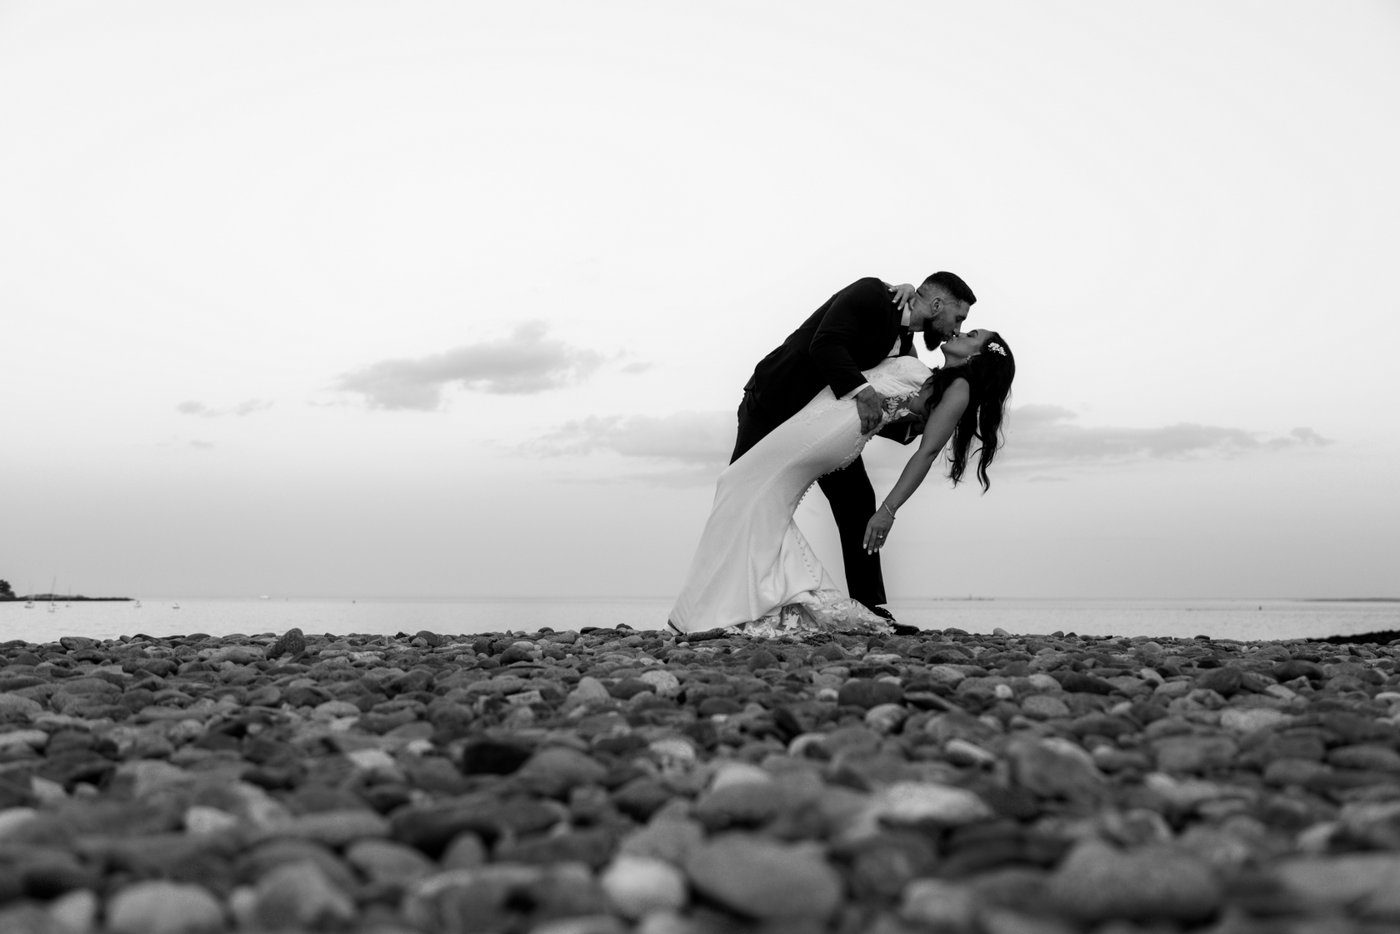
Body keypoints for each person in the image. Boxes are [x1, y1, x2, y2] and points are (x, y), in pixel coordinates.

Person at [668, 327, 1015, 636]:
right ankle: (770, 596)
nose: (961, 332)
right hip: (825, 416)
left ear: (978, 357)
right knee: (748, 490)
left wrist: (888, 510)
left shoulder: (960, 389)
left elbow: (925, 453)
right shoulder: (932, 372)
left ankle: (722, 605)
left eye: (972, 336)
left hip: (832, 433)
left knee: (741, 483)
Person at [728, 273, 976, 622]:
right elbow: (825, 344)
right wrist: (863, 392)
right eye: (958, 317)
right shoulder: (871, 293)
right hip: (772, 404)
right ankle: (734, 599)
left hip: (822, 425)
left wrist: (915, 426)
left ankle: (869, 608)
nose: (956, 327)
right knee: (740, 496)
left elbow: (886, 401)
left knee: (858, 500)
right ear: (936, 305)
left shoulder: (905, 339)